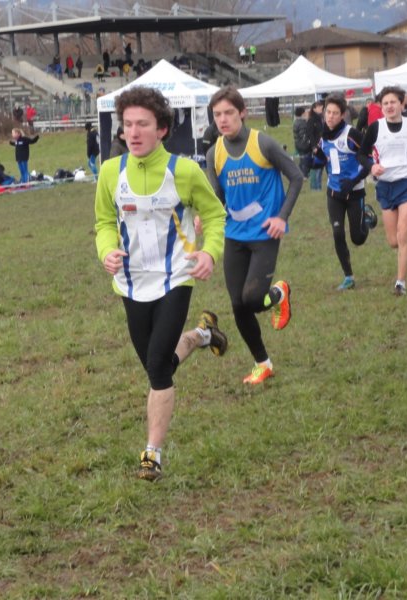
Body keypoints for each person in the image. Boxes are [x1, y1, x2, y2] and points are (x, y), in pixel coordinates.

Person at [94, 87, 227, 481]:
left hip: (175, 278)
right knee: (161, 363)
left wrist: (209, 252)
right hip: (131, 283)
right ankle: (202, 336)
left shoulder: (184, 171)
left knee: (157, 368)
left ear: (162, 129)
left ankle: (152, 453)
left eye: (143, 124)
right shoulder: (110, 172)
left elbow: (215, 215)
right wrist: (106, 250)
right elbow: (104, 222)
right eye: (127, 125)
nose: (133, 132)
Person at [206, 86, 303, 385]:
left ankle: (279, 293)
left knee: (251, 299)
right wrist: (204, 216)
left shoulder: (263, 143)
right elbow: (217, 197)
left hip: (264, 233)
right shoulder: (214, 153)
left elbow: (296, 177)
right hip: (234, 235)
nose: (223, 120)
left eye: (228, 113)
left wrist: (281, 217)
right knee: (238, 304)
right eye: (217, 114)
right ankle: (263, 363)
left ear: (243, 113)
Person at [312, 94, 377, 290]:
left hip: (354, 192)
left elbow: (369, 160)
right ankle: (348, 276)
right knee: (337, 233)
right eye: (328, 112)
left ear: (342, 115)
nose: (330, 117)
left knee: (358, 238)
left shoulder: (352, 135)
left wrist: (354, 181)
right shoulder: (323, 134)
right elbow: (322, 160)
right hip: (334, 193)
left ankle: (367, 216)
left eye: (335, 113)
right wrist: (315, 157)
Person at [358, 85, 407, 296]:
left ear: (401, 104)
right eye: (385, 103)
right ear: (381, 106)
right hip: (386, 186)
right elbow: (361, 154)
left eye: (393, 102)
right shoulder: (375, 128)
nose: (389, 106)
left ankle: (400, 283)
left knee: (403, 234)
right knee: (393, 242)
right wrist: (372, 166)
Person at [307, 101, 325, 190]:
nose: (321, 107)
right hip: (316, 146)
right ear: (314, 109)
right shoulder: (311, 120)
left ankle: (318, 186)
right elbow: (310, 134)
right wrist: (314, 146)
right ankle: (316, 187)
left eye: (321, 106)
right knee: (317, 167)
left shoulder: (321, 118)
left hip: (322, 144)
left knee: (321, 167)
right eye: (318, 106)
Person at [293, 106, 312, 178]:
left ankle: (300, 172)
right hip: (303, 145)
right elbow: (303, 135)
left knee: (302, 159)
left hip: (298, 143)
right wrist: (308, 142)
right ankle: (304, 175)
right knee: (306, 160)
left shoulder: (296, 122)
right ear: (302, 113)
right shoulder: (303, 123)